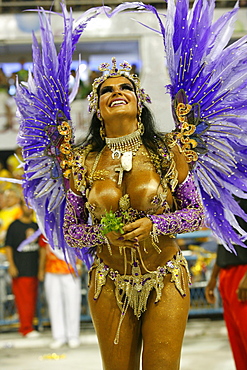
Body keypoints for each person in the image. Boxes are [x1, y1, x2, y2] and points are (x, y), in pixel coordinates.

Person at [62, 58, 204, 369]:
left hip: (164, 278)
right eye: (106, 90)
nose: (117, 91)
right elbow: (71, 230)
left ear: (139, 102)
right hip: (109, 283)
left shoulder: (168, 149)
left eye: (126, 87)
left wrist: (155, 223)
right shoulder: (81, 161)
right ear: (98, 108)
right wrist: (103, 232)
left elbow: (195, 214)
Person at [205, 199, 247, 370]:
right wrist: (213, 277)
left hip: (243, 273)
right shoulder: (221, 196)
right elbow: (223, 243)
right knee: (237, 342)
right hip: (226, 273)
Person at [4, 198, 45, 338]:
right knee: (23, 301)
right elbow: (8, 247)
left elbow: (42, 249)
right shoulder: (14, 226)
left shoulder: (36, 226)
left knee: (33, 300)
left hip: (33, 268)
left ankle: (30, 326)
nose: (29, 208)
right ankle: (25, 328)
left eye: (31, 206)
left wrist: (40, 269)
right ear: (20, 207)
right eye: (26, 205)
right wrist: (12, 265)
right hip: (20, 269)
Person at [39, 236, 82, 349]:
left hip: (70, 270)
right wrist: (41, 269)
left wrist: (79, 265)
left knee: (72, 304)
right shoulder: (46, 227)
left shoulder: (71, 223)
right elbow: (43, 249)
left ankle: (73, 336)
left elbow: (79, 245)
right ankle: (59, 336)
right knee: (54, 305)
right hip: (51, 270)